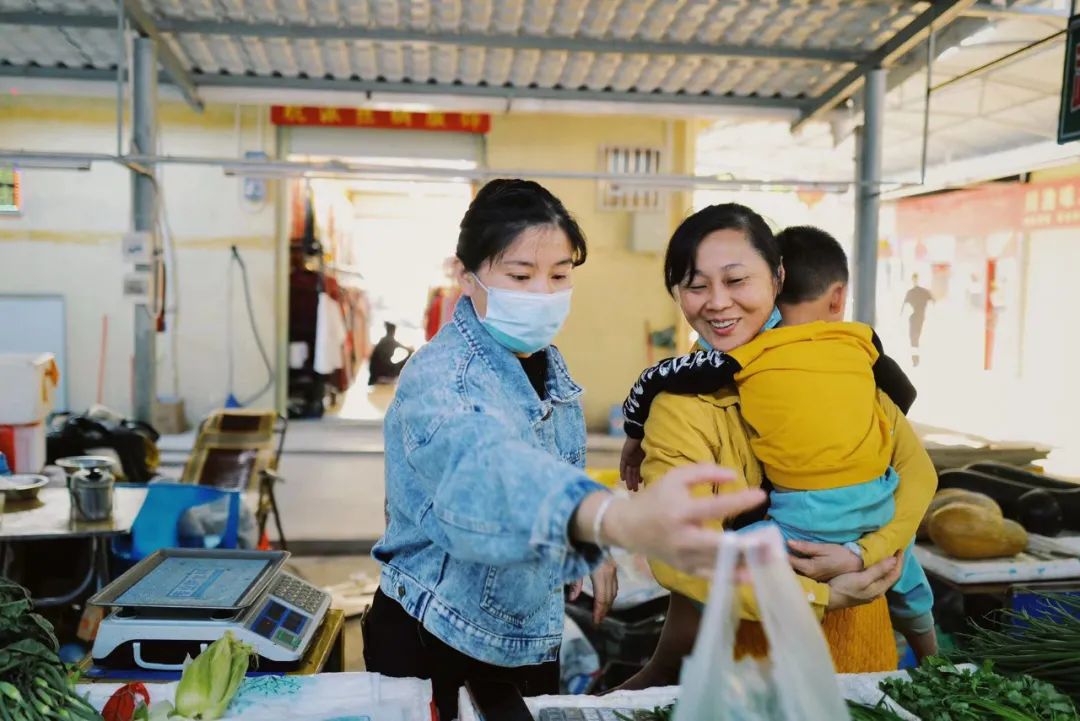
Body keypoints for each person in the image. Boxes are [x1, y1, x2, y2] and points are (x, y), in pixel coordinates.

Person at [362, 180, 769, 720]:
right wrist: (606, 518)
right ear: (468, 276)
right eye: (519, 275)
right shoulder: (445, 378)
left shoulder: (540, 360)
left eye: (559, 275)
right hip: (442, 636)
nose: (542, 293)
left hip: (521, 632)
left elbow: (547, 469)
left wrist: (582, 547)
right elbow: (486, 471)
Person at [617, 206, 936, 687]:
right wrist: (821, 594)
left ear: (777, 276)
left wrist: (861, 552)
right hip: (751, 661)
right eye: (696, 286)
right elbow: (678, 551)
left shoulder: (836, 364)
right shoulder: (684, 404)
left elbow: (917, 474)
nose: (718, 303)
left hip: (864, 643)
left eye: (737, 280)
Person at [902, 273, 934, 366]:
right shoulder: (921, 292)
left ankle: (916, 359)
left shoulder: (914, 292)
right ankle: (915, 359)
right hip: (918, 318)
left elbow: (903, 308)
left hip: (918, 318)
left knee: (914, 339)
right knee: (915, 339)